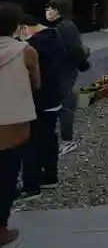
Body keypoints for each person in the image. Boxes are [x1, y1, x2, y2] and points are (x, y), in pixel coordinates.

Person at [0, 3, 40, 246]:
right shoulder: (26, 51)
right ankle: (1, 228)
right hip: (13, 125)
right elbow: (36, 83)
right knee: (6, 177)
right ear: (16, 25)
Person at [17, 14, 68, 200]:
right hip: (54, 97)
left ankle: (32, 186)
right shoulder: (55, 36)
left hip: (37, 100)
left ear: (23, 27)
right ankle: (50, 176)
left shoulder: (34, 46)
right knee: (48, 138)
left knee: (32, 143)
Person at [45, 0, 86, 156]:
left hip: (65, 71)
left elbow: (74, 49)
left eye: (52, 8)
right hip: (60, 71)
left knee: (65, 106)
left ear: (59, 10)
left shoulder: (65, 26)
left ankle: (68, 141)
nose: (48, 11)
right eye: (47, 8)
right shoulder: (60, 25)